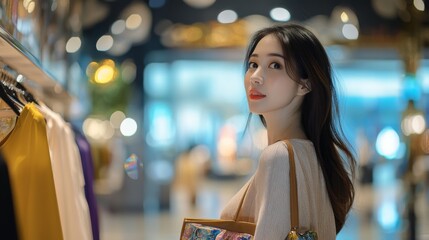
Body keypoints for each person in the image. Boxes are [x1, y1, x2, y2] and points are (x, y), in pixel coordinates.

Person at [220, 23, 356, 239]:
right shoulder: (313, 156)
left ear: (305, 84)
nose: (255, 76)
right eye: (253, 64)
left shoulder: (278, 157)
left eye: (275, 65)